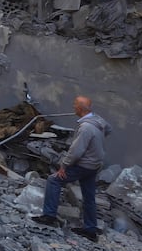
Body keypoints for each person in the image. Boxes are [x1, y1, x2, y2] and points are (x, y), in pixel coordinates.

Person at [32, 95, 112, 238]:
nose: (73, 107)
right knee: (89, 196)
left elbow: (76, 151)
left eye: (75, 105)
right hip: (94, 165)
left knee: (53, 180)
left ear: (80, 108)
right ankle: (90, 229)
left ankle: (49, 216)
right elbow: (109, 129)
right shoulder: (98, 120)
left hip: (84, 165)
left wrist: (64, 166)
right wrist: (96, 143)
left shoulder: (86, 127)